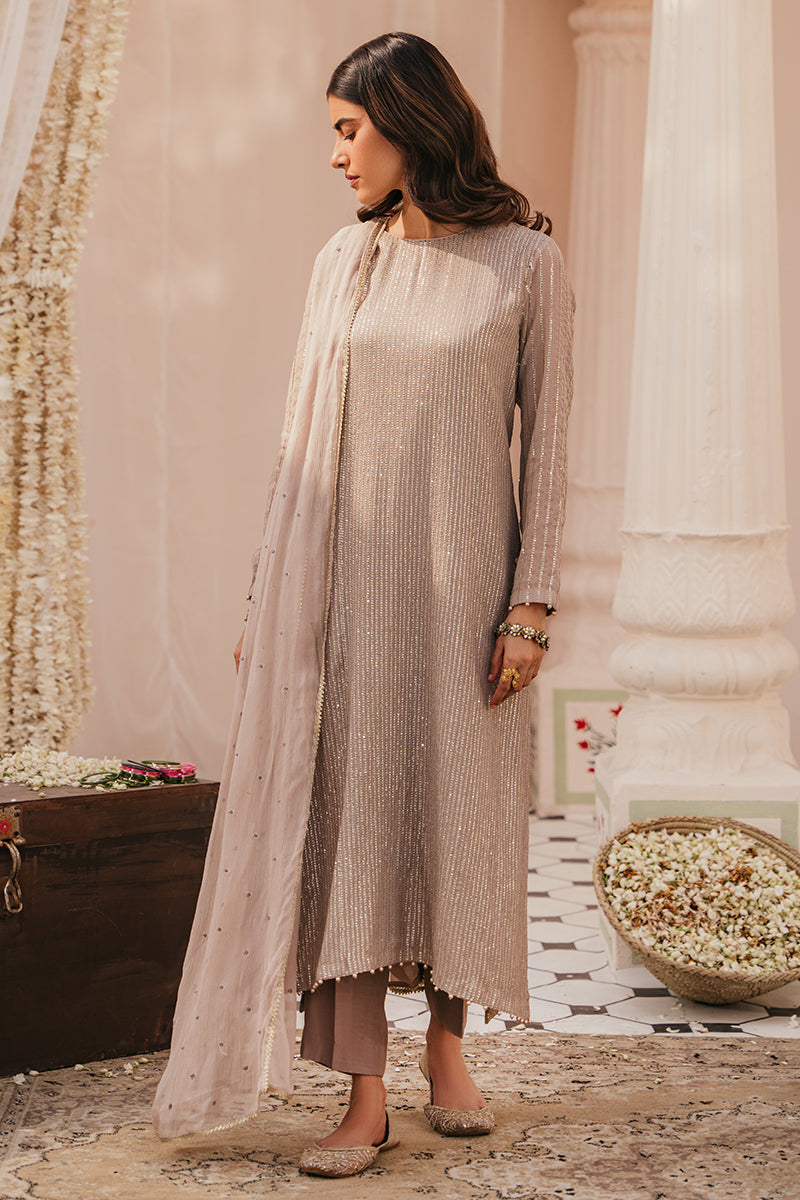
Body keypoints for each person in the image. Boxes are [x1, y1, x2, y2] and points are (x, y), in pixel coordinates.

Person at [152, 31, 573, 1180]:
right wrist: (266, 600)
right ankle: (362, 1096)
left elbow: (548, 448)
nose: (335, 155)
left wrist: (530, 605)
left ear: (407, 121)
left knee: (455, 827)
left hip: (466, 604)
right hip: (340, 599)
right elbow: (297, 452)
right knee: (344, 837)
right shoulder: (342, 261)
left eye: (348, 130)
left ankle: (448, 1052)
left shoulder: (523, 263)